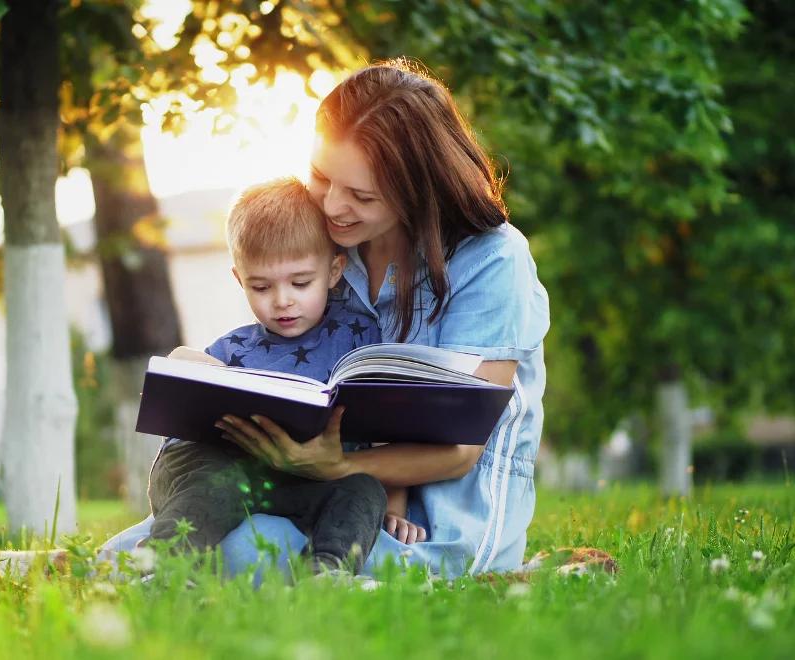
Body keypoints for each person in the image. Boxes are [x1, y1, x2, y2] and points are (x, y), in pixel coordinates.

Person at [103, 59, 549, 578]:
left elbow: (458, 451)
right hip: (312, 484)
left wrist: (335, 467)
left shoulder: (494, 261)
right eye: (321, 178)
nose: (333, 207)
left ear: (418, 188)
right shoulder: (337, 247)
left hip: (438, 512)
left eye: (361, 195)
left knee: (240, 553)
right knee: (151, 545)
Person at [145, 176, 393, 575]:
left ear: (334, 271)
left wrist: (394, 499)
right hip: (233, 477)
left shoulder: (361, 337)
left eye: (300, 282)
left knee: (363, 489)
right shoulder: (233, 350)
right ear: (240, 279)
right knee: (212, 477)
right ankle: (163, 569)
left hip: (308, 481)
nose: (282, 301)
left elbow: (386, 427)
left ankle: (327, 573)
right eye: (260, 287)